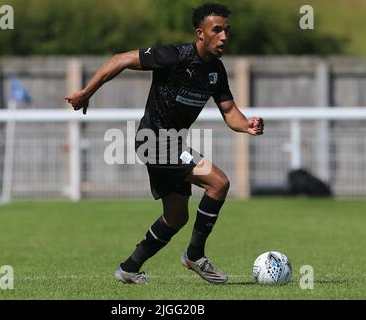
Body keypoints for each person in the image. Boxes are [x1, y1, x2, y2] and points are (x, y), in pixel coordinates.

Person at [65, 3, 264, 285]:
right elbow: (120, 59)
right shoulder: (174, 56)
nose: (224, 37)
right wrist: (86, 93)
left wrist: (248, 125)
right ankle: (195, 254)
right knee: (219, 183)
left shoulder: (216, 71)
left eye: (227, 31)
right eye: (216, 30)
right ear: (200, 33)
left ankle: (129, 268)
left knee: (175, 217)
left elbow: (230, 112)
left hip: (171, 144)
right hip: (154, 141)